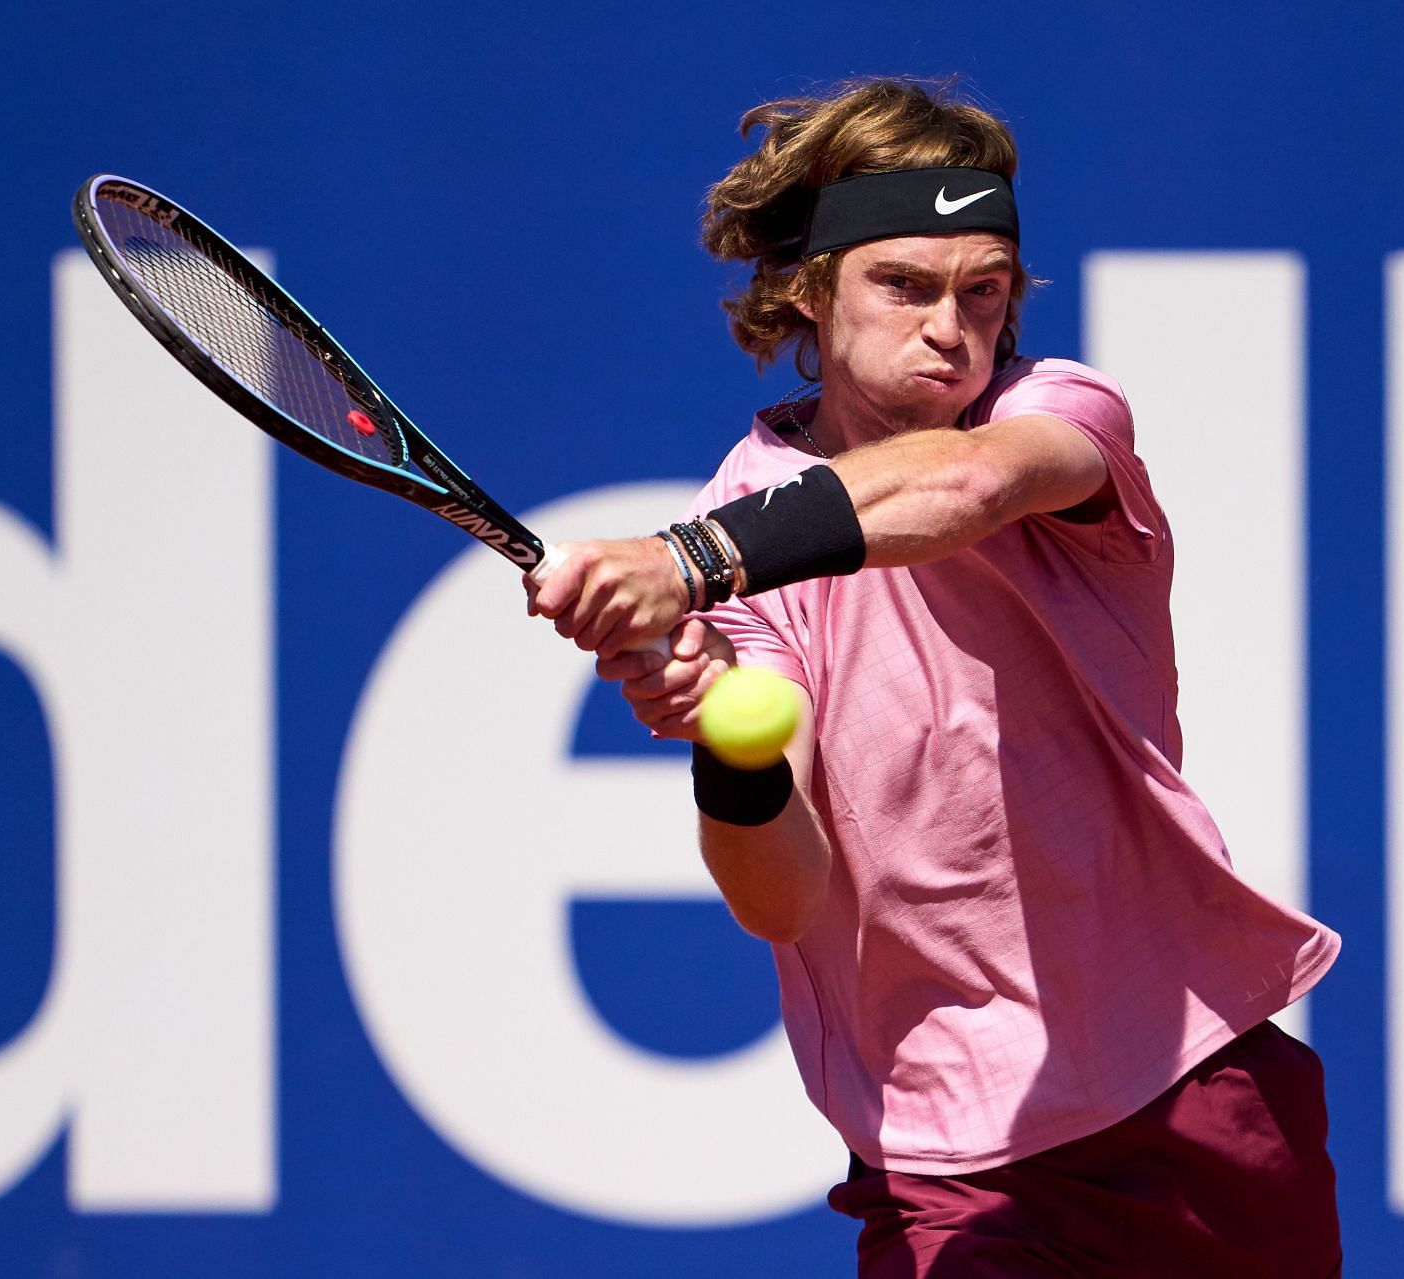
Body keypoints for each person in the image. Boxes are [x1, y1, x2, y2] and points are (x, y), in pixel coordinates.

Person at [525, 78, 1342, 1278]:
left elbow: (963, 491)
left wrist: (689, 564)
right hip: (952, 1163)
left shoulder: (1062, 416)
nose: (948, 329)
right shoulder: (735, 539)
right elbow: (780, 895)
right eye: (903, 286)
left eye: (982, 290)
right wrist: (733, 751)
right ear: (810, 287)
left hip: (1194, 1083)